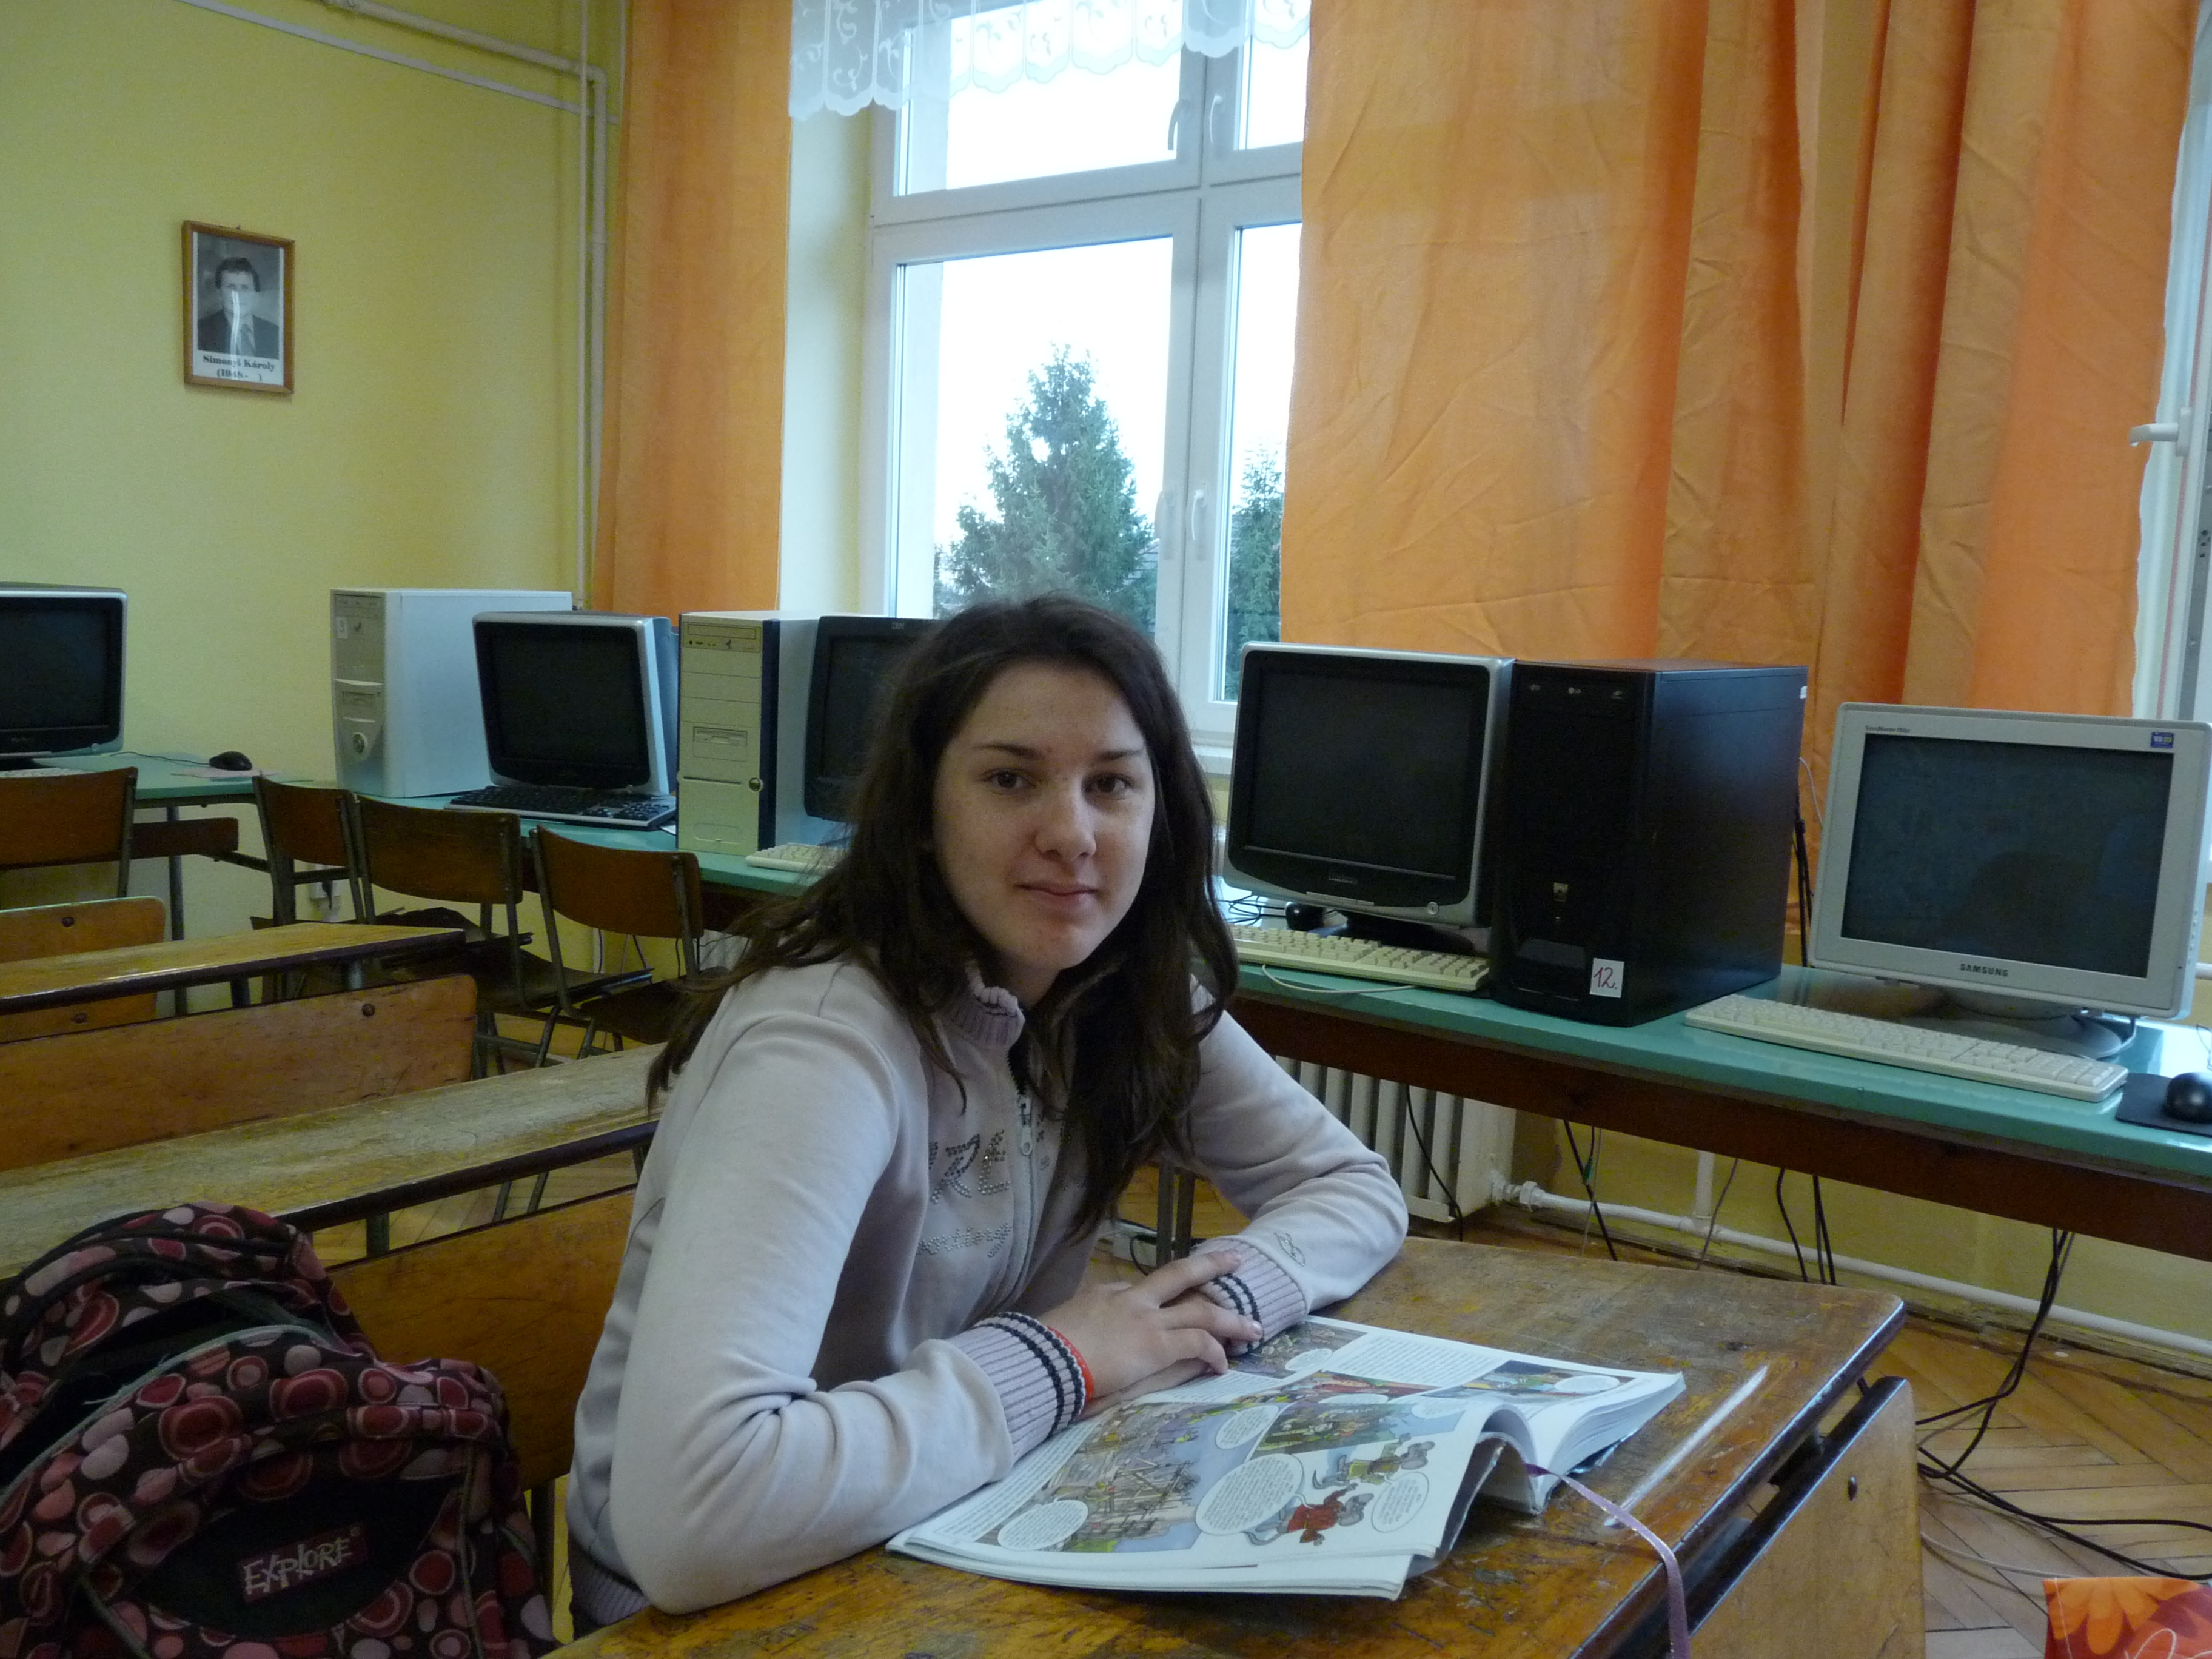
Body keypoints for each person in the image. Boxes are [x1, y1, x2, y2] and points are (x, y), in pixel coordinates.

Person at [565, 595, 1409, 1627]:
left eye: (1112, 784)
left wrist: (1198, 1313)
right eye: (1010, 779)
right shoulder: (820, 1045)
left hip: (944, 1527)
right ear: (922, 811)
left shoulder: (1121, 993)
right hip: (711, 1615)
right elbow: (691, 1520)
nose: (1071, 834)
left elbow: (1350, 1187)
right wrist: (1068, 1359)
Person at [195, 255, 279, 358]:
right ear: (219, 293)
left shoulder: (274, 333)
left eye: (245, 288)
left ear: (255, 294)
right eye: (231, 287)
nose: (238, 295)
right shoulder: (201, 331)